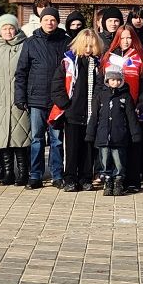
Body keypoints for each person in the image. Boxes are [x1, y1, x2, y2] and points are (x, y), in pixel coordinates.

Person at [15, 5, 69, 189]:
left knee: (57, 140)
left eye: (53, 20)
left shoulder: (65, 42)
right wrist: (20, 97)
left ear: (57, 22)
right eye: (46, 20)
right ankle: (35, 175)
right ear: (41, 21)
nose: (50, 22)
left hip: (57, 100)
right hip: (36, 99)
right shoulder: (30, 43)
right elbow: (21, 72)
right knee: (36, 139)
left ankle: (57, 175)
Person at [53, 28, 107, 192]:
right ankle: (70, 178)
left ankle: (85, 178)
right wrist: (65, 105)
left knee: (88, 149)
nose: (89, 50)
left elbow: (101, 87)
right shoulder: (68, 62)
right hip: (73, 113)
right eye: (86, 46)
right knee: (72, 148)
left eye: (92, 46)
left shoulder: (98, 64)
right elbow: (57, 85)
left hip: (91, 112)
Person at [0, 14, 31, 186]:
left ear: (16, 28)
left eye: (11, 27)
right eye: (4, 28)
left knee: (20, 138)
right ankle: (7, 173)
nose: (8, 31)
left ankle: (23, 173)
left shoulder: (25, 46)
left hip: (18, 100)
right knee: (2, 140)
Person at [105, 25, 143, 190]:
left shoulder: (140, 57)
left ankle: (132, 180)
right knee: (115, 145)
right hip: (114, 109)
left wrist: (141, 104)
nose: (125, 41)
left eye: (129, 38)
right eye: (122, 38)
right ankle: (115, 178)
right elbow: (101, 84)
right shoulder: (109, 57)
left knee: (133, 143)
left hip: (133, 109)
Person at [95, 56, 141, 197]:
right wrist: (91, 133)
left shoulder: (125, 97)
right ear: (107, 80)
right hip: (103, 136)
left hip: (119, 137)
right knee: (104, 160)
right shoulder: (101, 96)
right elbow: (94, 117)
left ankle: (118, 182)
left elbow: (131, 117)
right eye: (112, 79)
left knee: (119, 162)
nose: (115, 82)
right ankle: (107, 181)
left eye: (118, 80)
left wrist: (135, 134)